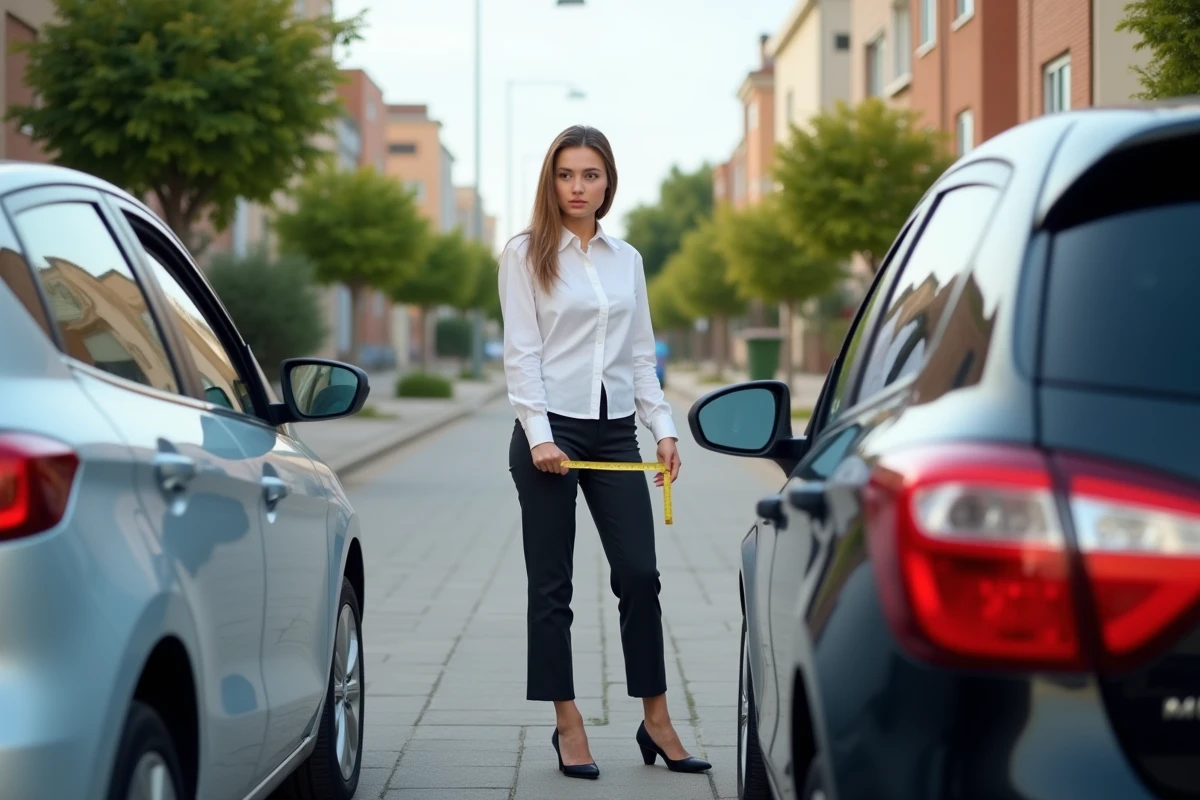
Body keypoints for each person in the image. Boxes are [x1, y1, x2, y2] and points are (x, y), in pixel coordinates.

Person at [499, 124, 712, 780]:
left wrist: (663, 428)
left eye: (590, 175)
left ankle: (657, 718)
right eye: (567, 175)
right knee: (552, 585)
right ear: (551, 180)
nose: (578, 187)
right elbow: (522, 354)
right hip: (550, 435)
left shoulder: (628, 260)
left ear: (608, 181)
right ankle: (568, 724)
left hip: (616, 431)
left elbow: (641, 355)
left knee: (640, 577)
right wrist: (539, 436)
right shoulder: (525, 253)